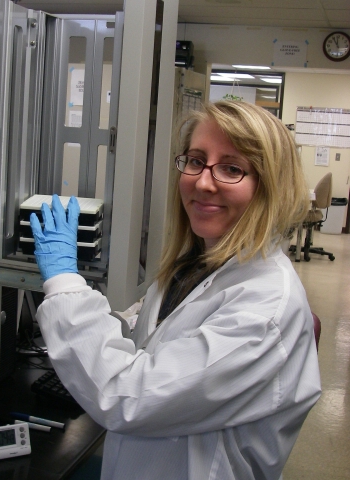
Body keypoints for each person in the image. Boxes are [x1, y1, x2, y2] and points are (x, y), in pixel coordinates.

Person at [29, 101, 321, 480]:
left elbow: (128, 396)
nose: (202, 181)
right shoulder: (198, 263)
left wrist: (65, 283)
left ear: (270, 187)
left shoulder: (264, 309)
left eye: (232, 168)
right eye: (196, 160)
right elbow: (160, 337)